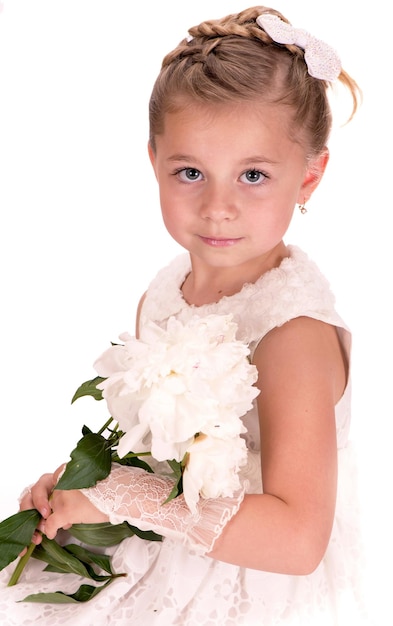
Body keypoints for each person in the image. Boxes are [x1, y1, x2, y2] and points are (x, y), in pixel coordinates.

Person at [0, 5, 370, 625]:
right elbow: (163, 453)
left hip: (247, 589)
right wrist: (82, 489)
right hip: (162, 553)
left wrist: (119, 495)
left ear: (310, 176)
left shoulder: (292, 336)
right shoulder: (166, 288)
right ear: (154, 162)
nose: (217, 206)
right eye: (190, 172)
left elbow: (299, 540)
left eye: (253, 174)